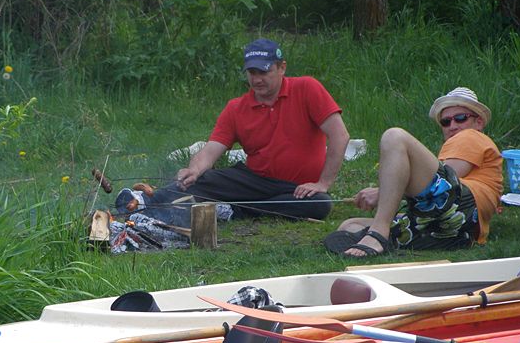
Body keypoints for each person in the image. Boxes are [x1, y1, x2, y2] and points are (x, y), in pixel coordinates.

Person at [172, 38, 350, 220]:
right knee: (197, 181)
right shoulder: (236, 108)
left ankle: (238, 209)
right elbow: (210, 151)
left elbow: (340, 135)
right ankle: (156, 203)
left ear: (282, 68)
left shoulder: (307, 88)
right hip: (255, 182)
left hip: (298, 188)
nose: (257, 80)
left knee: (319, 204)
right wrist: (194, 170)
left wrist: (323, 184)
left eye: (264, 72)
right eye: (252, 73)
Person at [324, 87, 502, 258]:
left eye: (460, 118)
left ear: (479, 122)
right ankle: (387, 237)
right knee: (349, 225)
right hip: (457, 229)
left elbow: (447, 181)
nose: (453, 125)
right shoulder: (458, 146)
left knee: (394, 136)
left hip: (463, 206)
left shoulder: (471, 136)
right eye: (445, 122)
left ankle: (378, 234)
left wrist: (382, 193)